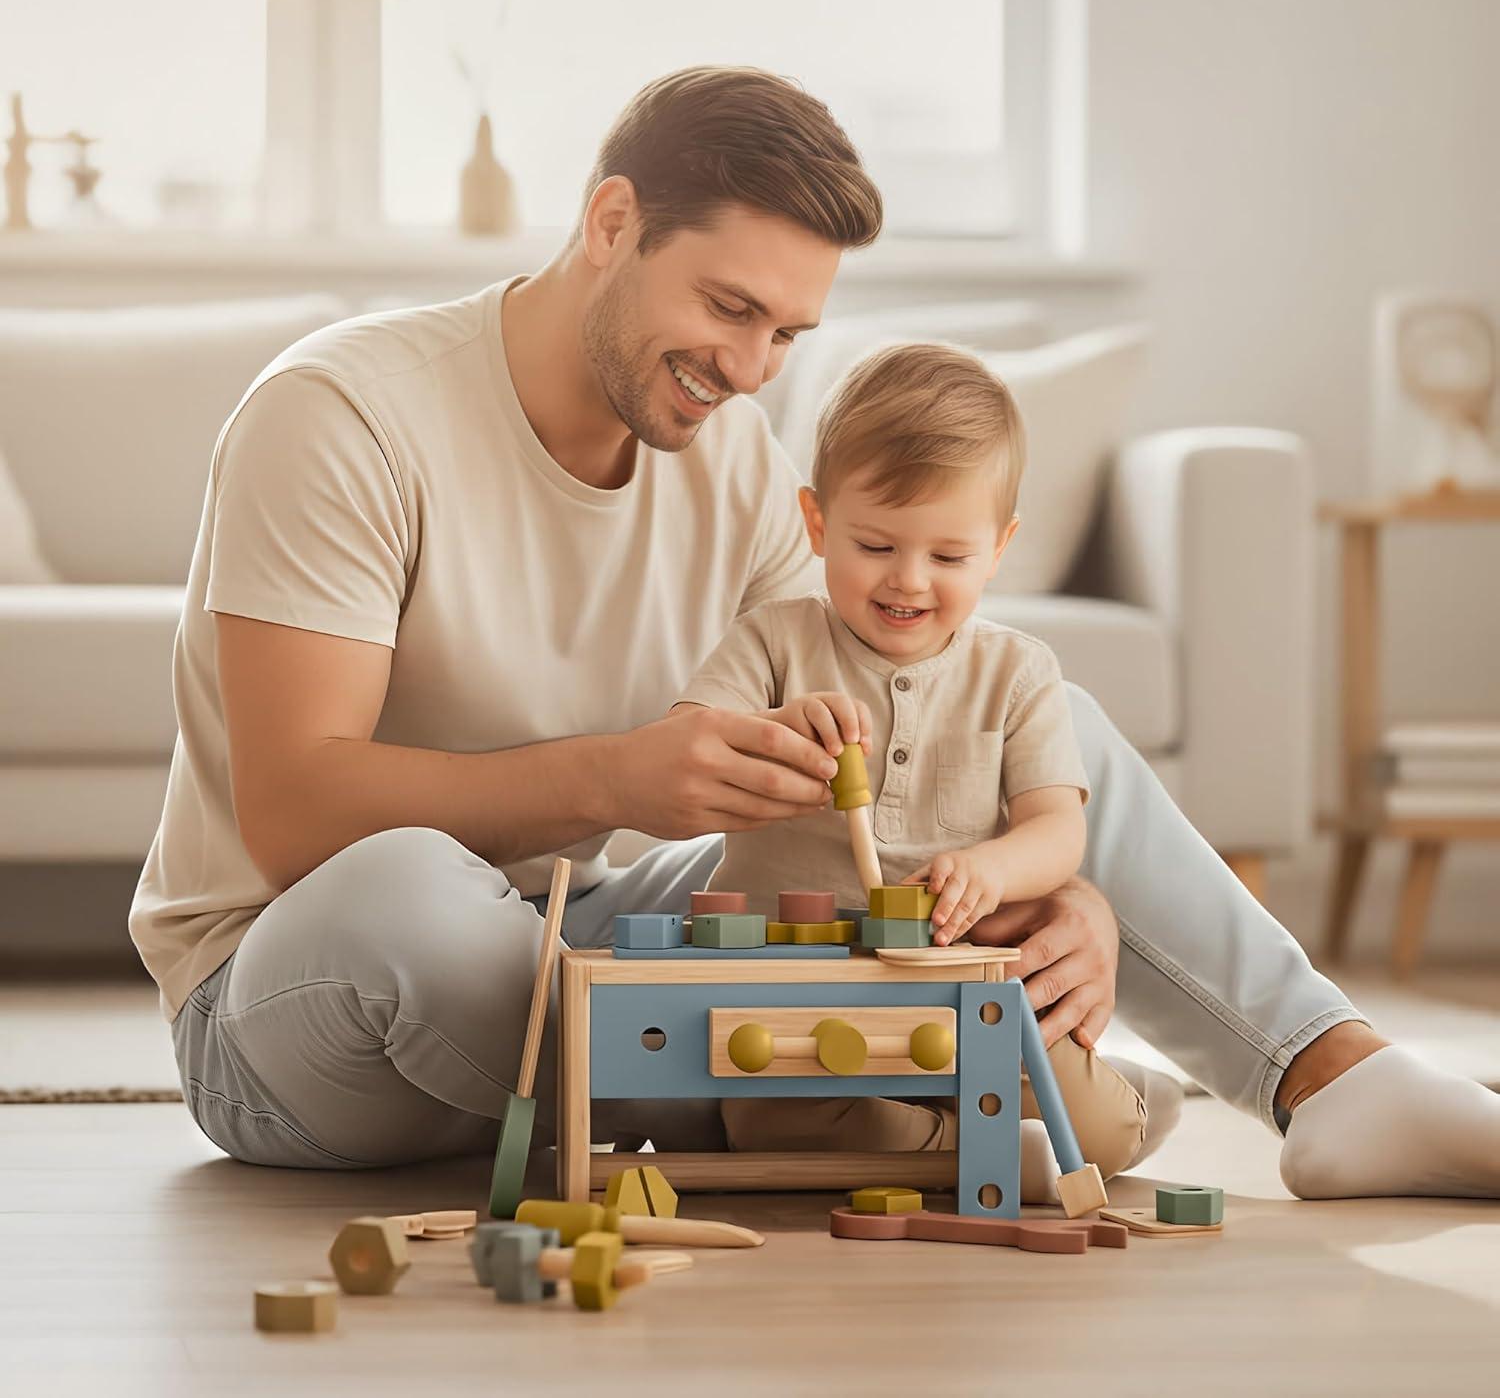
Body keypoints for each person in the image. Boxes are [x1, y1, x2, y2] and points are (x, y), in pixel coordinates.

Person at [129, 65, 1500, 1199]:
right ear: (611, 222)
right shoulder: (346, 416)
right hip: (298, 998)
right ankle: (903, 1102)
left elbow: (892, 736)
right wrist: (616, 776)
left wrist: (1051, 887)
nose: (747, 371)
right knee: (410, 897)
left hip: (576, 940)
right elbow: (297, 819)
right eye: (730, 309)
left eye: (786, 334)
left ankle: (1335, 1079)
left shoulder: (721, 451)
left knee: (1032, 718)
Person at [672, 340, 1180, 1195]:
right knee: (775, 1120)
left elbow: (1057, 828)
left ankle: (1115, 1105)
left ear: (1000, 545)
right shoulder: (772, 638)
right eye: (875, 545)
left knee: (1092, 1124)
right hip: (802, 999)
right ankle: (987, 1150)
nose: (908, 581)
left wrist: (991, 869)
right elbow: (690, 741)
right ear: (818, 522)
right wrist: (776, 731)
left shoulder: (1018, 672)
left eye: (949, 558)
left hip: (962, 989)